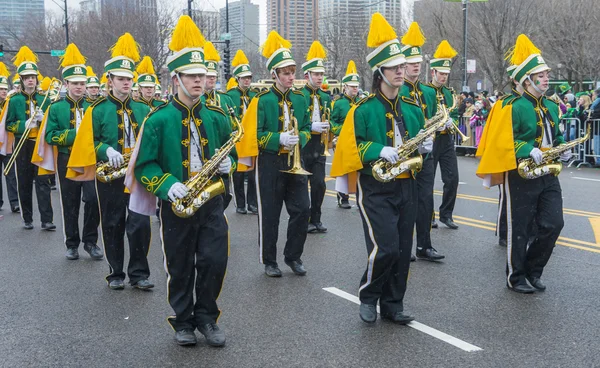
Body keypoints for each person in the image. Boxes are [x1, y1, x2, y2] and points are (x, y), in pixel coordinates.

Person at [131, 15, 233, 347]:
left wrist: (227, 165)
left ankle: (207, 317)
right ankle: (183, 321)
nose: (199, 81)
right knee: (179, 265)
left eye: (202, 75)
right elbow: (144, 166)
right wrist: (166, 184)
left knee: (214, 260)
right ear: (175, 78)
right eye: (191, 76)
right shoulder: (158, 119)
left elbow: (225, 151)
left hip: (211, 200)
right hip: (176, 202)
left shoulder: (217, 117)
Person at [331, 13, 431, 324]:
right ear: (379, 72)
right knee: (385, 247)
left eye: (403, 67)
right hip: (375, 186)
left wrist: (424, 147)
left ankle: (393, 303)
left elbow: (419, 143)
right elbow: (350, 149)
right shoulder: (362, 109)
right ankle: (369, 294)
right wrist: (378, 150)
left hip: (407, 183)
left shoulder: (414, 109)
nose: (401, 72)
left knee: (403, 250)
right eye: (395, 68)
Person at [477, 34, 569, 294]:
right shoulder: (511, 105)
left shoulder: (551, 106)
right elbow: (502, 141)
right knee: (519, 227)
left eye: (546, 73)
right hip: (521, 172)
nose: (546, 78)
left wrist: (562, 149)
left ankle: (533, 270)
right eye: (541, 74)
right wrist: (528, 149)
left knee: (554, 223)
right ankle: (515, 277)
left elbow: (557, 136)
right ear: (527, 79)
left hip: (548, 173)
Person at [67, 33, 153, 291]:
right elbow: (86, 143)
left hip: (138, 175)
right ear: (110, 80)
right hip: (110, 176)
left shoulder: (144, 109)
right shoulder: (97, 109)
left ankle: (138, 273)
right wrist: (105, 150)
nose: (127, 83)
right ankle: (116, 272)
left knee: (140, 224)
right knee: (113, 223)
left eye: (130, 79)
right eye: (122, 79)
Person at [236, 30, 311, 277]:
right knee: (269, 214)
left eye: (292, 72)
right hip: (269, 162)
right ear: (274, 75)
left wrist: (299, 137)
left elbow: (308, 128)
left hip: (294, 162)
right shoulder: (262, 100)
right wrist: (277, 138)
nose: (291, 77)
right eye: (286, 73)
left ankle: (293, 256)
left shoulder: (301, 99)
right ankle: (269, 260)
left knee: (302, 210)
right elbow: (253, 135)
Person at [36, 43, 102, 260]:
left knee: (93, 200)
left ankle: (90, 241)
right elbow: (50, 135)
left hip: (90, 160)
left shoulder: (95, 106)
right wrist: (76, 134)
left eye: (82, 83)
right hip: (66, 157)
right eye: (75, 83)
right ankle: (72, 242)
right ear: (66, 84)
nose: (79, 87)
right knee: (70, 201)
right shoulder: (55, 108)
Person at [400, 21, 444, 261]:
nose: (415, 67)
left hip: (426, 153)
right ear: (403, 66)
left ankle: (424, 245)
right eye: (411, 63)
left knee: (426, 199)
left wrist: (439, 126)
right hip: (406, 153)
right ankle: (405, 246)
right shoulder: (399, 90)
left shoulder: (428, 92)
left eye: (418, 63)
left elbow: (433, 117)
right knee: (407, 200)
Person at [1, 46, 54, 230]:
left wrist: (42, 120)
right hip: (21, 144)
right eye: (27, 78)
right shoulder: (14, 100)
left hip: (40, 144)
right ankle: (27, 218)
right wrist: (23, 125)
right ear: (22, 80)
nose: (30, 80)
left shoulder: (45, 98)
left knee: (43, 182)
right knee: (23, 182)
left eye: (33, 77)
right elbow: (8, 124)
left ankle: (47, 220)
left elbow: (52, 122)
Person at [428, 40, 461, 230]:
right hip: (431, 139)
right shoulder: (425, 91)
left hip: (446, 139)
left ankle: (446, 214)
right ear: (433, 72)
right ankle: (429, 215)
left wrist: (452, 122)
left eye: (447, 75)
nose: (444, 78)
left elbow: (454, 113)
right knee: (428, 180)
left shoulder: (449, 93)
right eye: (441, 74)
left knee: (452, 178)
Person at [300, 40, 331, 233]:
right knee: (302, 188)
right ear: (307, 75)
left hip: (319, 147)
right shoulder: (299, 95)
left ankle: (316, 218)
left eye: (321, 74)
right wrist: (312, 126)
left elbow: (331, 119)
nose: (319, 78)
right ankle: (304, 220)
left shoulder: (326, 97)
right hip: (304, 148)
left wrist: (331, 131)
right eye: (316, 74)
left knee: (319, 185)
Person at [227, 50, 258, 215]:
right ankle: (240, 204)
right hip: (237, 138)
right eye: (244, 78)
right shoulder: (230, 95)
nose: (247, 80)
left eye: (249, 78)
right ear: (237, 79)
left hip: (251, 138)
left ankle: (252, 203)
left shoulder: (255, 95)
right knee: (239, 173)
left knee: (252, 173)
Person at [330, 60, 361, 209]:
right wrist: (341, 130)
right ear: (345, 87)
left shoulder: (362, 102)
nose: (355, 89)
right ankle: (343, 197)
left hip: (358, 139)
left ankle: (358, 194)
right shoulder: (339, 103)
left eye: (356, 86)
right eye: (352, 86)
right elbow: (332, 122)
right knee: (343, 169)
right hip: (343, 139)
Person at [0, 62, 19, 213]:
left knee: (11, 174)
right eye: (0, 89)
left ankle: (14, 202)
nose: (3, 92)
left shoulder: (10, 104)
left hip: (8, 144)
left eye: (5, 89)